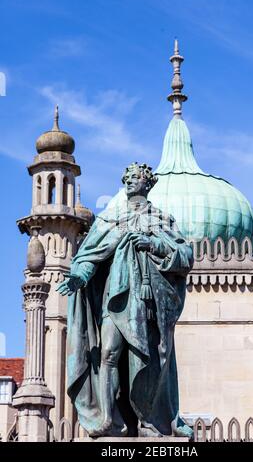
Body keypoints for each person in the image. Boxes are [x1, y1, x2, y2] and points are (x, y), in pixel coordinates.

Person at [57, 162, 194, 438]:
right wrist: (80, 276)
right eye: (128, 177)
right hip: (114, 300)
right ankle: (109, 420)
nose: (130, 181)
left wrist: (152, 244)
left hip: (145, 304)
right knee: (108, 354)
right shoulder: (111, 218)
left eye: (136, 177)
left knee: (143, 361)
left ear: (148, 183)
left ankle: (149, 423)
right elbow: (89, 255)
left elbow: (185, 255)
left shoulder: (160, 220)